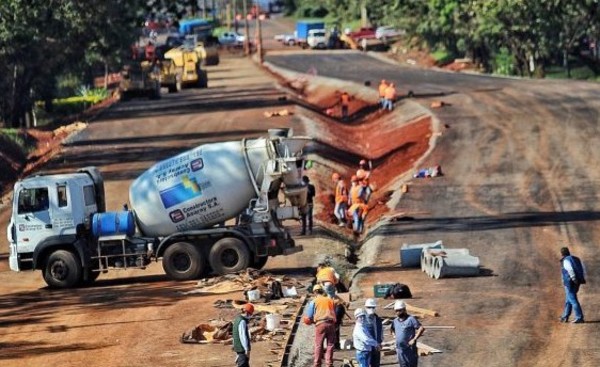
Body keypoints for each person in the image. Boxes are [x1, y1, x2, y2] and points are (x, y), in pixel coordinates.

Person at [304, 285, 337, 367]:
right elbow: (334, 312)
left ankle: (317, 364)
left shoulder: (314, 301)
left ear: (315, 292)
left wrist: (310, 321)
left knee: (318, 344)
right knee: (330, 344)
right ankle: (329, 363)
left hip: (320, 324)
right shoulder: (330, 300)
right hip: (331, 323)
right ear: (322, 291)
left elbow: (309, 316)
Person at [390, 300, 425, 367]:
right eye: (396, 311)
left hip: (410, 349)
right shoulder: (395, 321)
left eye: (400, 310)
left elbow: (421, 328)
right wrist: (394, 336)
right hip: (400, 349)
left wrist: (414, 339)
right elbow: (392, 329)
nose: (398, 312)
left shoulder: (411, 319)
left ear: (404, 310)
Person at [559, 247, 585, 323]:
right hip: (577, 281)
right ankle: (565, 316)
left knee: (573, 300)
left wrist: (574, 279)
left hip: (570, 282)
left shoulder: (566, 260)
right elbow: (583, 269)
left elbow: (570, 269)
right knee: (568, 299)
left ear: (562, 254)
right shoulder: (575, 259)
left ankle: (579, 317)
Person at [232, 303, 254, 367]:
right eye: (250, 314)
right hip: (242, 349)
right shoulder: (242, 321)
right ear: (247, 313)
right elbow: (243, 336)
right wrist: (246, 349)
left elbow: (235, 335)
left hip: (238, 348)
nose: (250, 316)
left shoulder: (237, 319)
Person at [364, 298, 384, 367]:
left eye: (372, 307)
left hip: (376, 347)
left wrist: (380, 342)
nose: (371, 309)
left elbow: (381, 331)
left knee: (375, 364)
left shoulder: (378, 319)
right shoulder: (362, 319)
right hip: (366, 347)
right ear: (365, 307)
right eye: (369, 307)